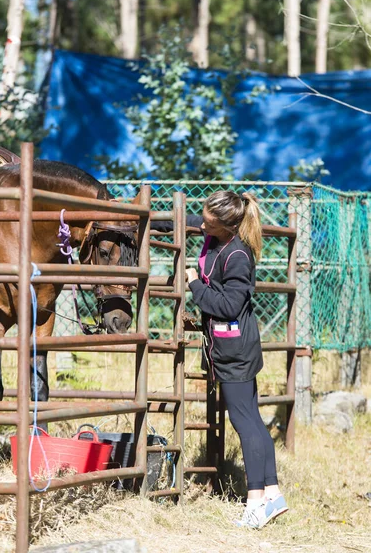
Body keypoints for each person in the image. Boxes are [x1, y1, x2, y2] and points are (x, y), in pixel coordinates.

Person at [152, 190, 288, 529]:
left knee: (245, 424)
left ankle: (256, 501)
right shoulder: (218, 234)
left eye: (207, 216)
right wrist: (144, 219)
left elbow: (229, 306)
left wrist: (195, 284)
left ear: (224, 224)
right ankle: (273, 494)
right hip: (230, 347)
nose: (202, 219)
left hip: (236, 351)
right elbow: (183, 223)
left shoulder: (238, 255)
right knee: (252, 420)